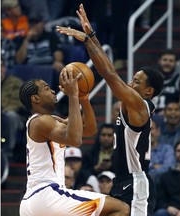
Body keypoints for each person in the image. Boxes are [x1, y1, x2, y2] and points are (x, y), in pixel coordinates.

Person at [56, 4, 164, 215]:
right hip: (123, 181)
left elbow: (110, 74)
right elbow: (110, 72)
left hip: (136, 183)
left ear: (149, 91)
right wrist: (91, 34)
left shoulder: (140, 106)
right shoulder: (134, 105)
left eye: (136, 82)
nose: (130, 84)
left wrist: (89, 42)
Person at [19, 68, 129, 216]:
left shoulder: (51, 121)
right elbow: (75, 139)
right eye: (46, 88)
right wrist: (73, 96)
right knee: (121, 208)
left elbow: (90, 130)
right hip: (47, 194)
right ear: (35, 99)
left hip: (33, 201)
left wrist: (84, 100)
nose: (52, 91)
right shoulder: (41, 121)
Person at [1, 58, 27, 159]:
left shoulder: (15, 82)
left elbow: (19, 102)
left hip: (17, 116)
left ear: (4, 68)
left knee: (10, 116)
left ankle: (7, 152)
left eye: (0, 66)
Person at [154, 140, 180, 216]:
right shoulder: (166, 176)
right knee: (160, 213)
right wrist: (167, 207)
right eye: (179, 151)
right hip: (171, 209)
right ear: (175, 154)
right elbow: (160, 199)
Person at [152, 49, 180, 115]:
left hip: (170, 118)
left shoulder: (179, 81)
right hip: (149, 117)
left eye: (171, 61)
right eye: (165, 60)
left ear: (175, 63)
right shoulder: (150, 79)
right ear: (159, 61)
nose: (167, 63)